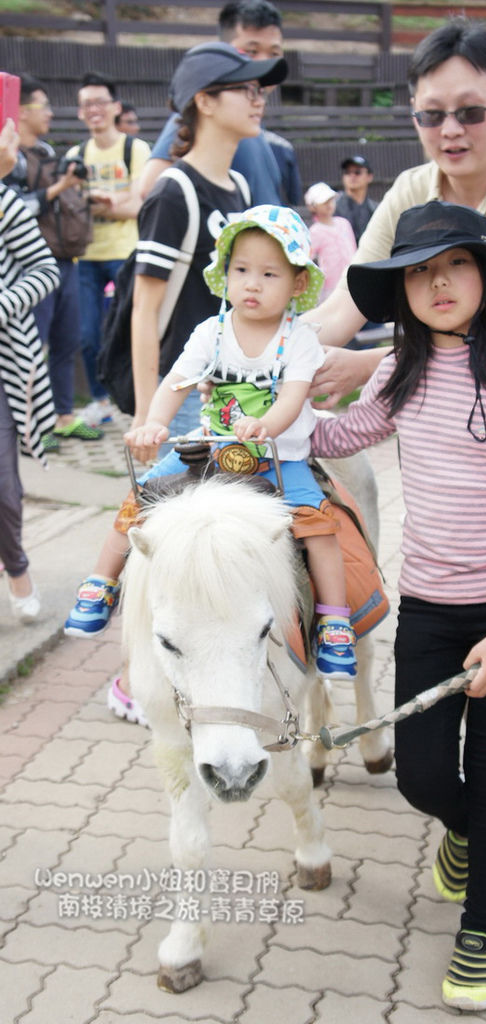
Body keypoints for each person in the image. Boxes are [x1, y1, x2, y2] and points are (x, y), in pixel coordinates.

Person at [301, 17, 486, 779]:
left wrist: (368, 369)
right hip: (465, 442)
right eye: (430, 114)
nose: (448, 130)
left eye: (468, 111)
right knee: (471, 583)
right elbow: (343, 307)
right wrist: (271, 358)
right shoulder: (412, 191)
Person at [311, 199, 486, 1012]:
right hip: (427, 602)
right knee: (421, 775)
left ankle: (480, 930)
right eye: (418, 271)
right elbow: (344, 436)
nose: (437, 281)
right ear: (403, 293)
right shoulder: (400, 369)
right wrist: (271, 423)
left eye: (454, 264)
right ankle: (461, 833)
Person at [64, 42, 288, 724]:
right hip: (184, 401)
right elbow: (145, 311)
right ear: (203, 101)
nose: (259, 97)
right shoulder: (176, 190)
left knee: (235, 542)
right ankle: (133, 673)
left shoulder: (242, 191)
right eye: (244, 87)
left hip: (235, 401)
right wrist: (146, 415)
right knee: (159, 533)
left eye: (261, 87)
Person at [125, 204, 356, 678]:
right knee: (139, 497)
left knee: (317, 522)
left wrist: (267, 424)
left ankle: (335, 618)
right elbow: (177, 381)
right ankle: (103, 582)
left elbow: (293, 398)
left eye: (269, 273)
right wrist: (153, 422)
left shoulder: (299, 339)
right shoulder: (210, 332)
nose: (252, 283)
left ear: (296, 284)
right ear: (225, 275)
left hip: (277, 458)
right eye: (242, 270)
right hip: (212, 452)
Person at [2, 73, 103, 452]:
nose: (49, 113)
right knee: (33, 342)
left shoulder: (46, 153)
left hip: (63, 259)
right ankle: (30, 423)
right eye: (42, 106)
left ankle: (63, 416)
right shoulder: (8, 161)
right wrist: (58, 188)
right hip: (27, 269)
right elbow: (17, 210)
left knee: (68, 340)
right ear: (21, 112)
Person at [138, 0, 297, 205]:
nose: (263, 61)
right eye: (251, 52)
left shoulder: (249, 124)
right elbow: (152, 189)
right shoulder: (203, 114)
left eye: (274, 54)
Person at [0, 118, 60, 622]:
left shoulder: (7, 203)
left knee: (4, 487)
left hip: (2, 362)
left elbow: (45, 271)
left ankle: (16, 566)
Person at [68, 71, 151, 427]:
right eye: (87, 104)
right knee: (87, 334)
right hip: (85, 256)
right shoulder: (75, 154)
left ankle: (140, 402)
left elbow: (139, 205)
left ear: (115, 107)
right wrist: (116, 201)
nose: (94, 110)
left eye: (100, 102)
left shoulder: (135, 149)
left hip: (125, 253)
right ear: (79, 112)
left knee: (132, 331)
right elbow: (70, 205)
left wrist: (100, 203)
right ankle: (101, 402)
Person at [305, 182, 356, 300]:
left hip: (351, 279)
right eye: (324, 202)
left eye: (331, 200)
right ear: (313, 207)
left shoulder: (344, 223)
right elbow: (308, 257)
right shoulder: (315, 231)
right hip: (330, 286)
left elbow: (353, 249)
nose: (329, 205)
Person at [335, 154, 378, 244]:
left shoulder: (376, 209)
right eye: (347, 172)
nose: (352, 176)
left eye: (357, 172)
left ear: (369, 177)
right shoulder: (333, 207)